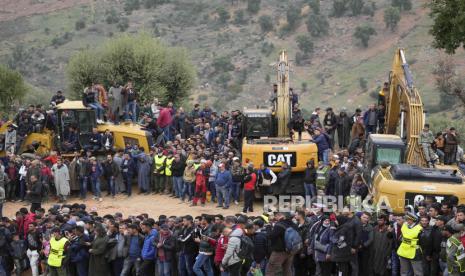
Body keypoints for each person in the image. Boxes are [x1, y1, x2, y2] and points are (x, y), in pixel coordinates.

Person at [266, 212, 296, 276]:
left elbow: (271, 236)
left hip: (279, 252)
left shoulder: (279, 225)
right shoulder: (293, 224)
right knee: (287, 269)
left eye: (276, 216)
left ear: (280, 215)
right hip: (290, 251)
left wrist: (268, 227)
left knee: (271, 269)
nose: (275, 218)